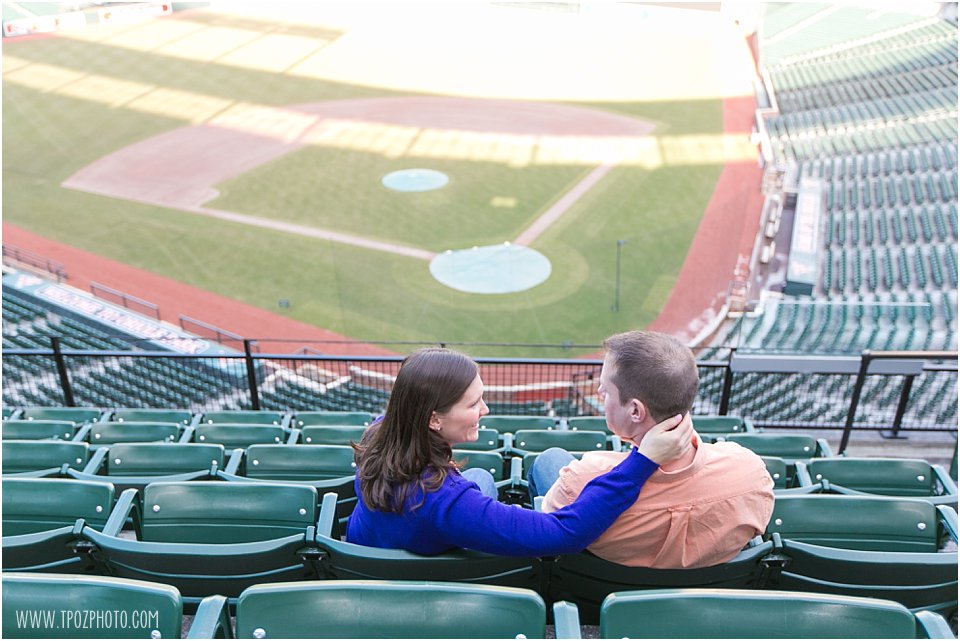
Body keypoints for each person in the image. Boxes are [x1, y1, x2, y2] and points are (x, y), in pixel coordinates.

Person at [347, 347, 694, 557]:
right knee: (478, 480)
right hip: (425, 579)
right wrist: (642, 461)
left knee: (480, 476)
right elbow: (562, 533)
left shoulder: (379, 433)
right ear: (433, 419)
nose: (485, 410)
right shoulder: (447, 503)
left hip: (374, 550)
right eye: (473, 403)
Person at [531, 330, 774, 569]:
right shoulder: (750, 473)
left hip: (604, 601)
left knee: (550, 459)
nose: (599, 392)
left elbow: (550, 531)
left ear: (635, 411)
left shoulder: (582, 478)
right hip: (706, 600)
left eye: (605, 389)